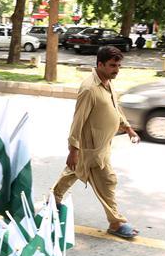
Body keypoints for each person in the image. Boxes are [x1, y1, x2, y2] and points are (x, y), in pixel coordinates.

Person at [51, 46, 140, 238]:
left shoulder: (107, 82)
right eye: (112, 65)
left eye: (118, 65)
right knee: (107, 182)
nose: (116, 69)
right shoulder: (89, 88)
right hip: (90, 148)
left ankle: (53, 201)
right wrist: (73, 149)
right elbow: (78, 121)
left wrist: (128, 128)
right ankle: (116, 223)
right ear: (100, 64)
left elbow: (115, 108)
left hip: (102, 146)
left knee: (72, 172)